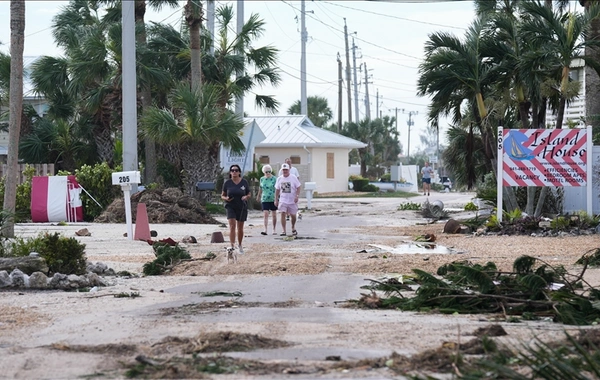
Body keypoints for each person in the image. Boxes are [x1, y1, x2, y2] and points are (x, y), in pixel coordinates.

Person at [221, 164, 251, 254]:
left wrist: (246, 197)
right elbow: (222, 195)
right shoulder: (227, 183)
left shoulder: (244, 182)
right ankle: (232, 245)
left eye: (236, 170)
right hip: (230, 205)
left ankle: (240, 245)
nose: (234, 172)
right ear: (230, 172)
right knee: (232, 225)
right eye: (232, 170)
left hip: (241, 206)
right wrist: (226, 198)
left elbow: (249, 194)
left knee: (240, 227)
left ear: (239, 172)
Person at [275, 163, 301, 236]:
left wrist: (297, 196)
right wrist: (276, 199)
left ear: (289, 170)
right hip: (283, 199)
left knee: (293, 215)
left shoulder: (293, 177)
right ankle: (283, 230)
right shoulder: (279, 179)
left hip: (292, 199)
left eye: (286, 170)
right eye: (283, 170)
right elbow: (277, 189)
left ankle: (293, 227)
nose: (285, 171)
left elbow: (298, 187)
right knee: (282, 213)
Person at [256, 164, 278, 235]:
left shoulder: (274, 178)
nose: (268, 173)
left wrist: (277, 198)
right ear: (264, 172)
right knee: (265, 214)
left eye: (269, 171)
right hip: (265, 198)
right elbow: (260, 188)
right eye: (266, 172)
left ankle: (274, 229)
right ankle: (265, 229)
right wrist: (258, 196)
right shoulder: (262, 179)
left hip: (273, 198)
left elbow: (277, 189)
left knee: (274, 214)